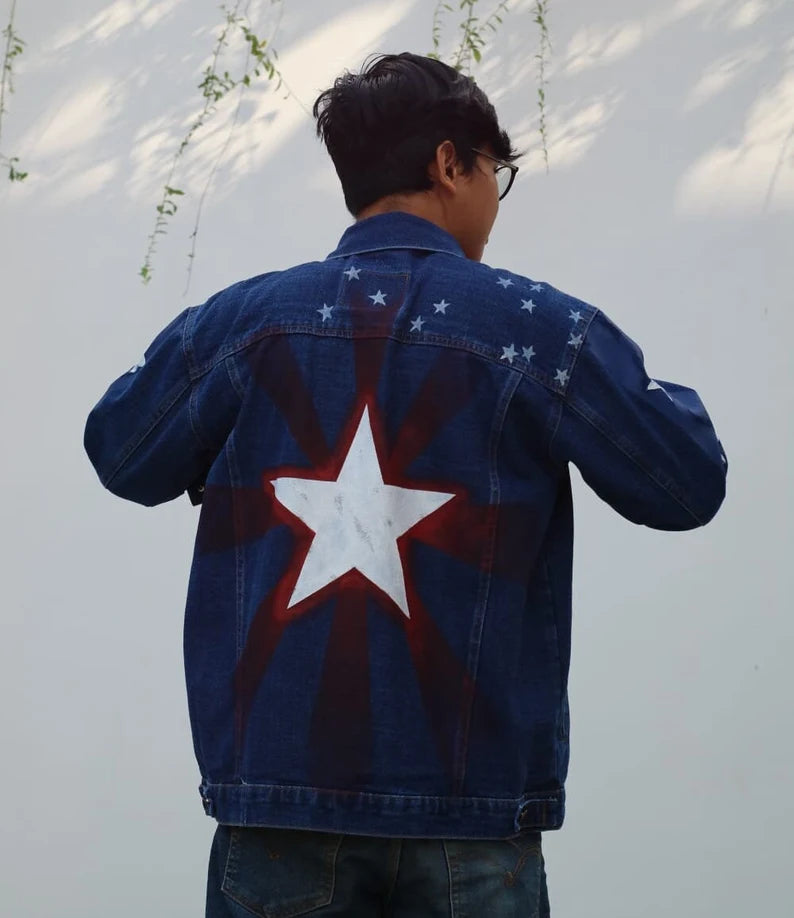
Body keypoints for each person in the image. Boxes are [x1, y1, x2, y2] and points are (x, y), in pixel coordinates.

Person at [84, 51, 728, 917]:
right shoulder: (541, 332)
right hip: (474, 819)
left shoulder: (244, 323)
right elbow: (688, 481)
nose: (496, 195)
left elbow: (122, 451)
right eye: (496, 170)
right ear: (450, 163)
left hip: (278, 812)